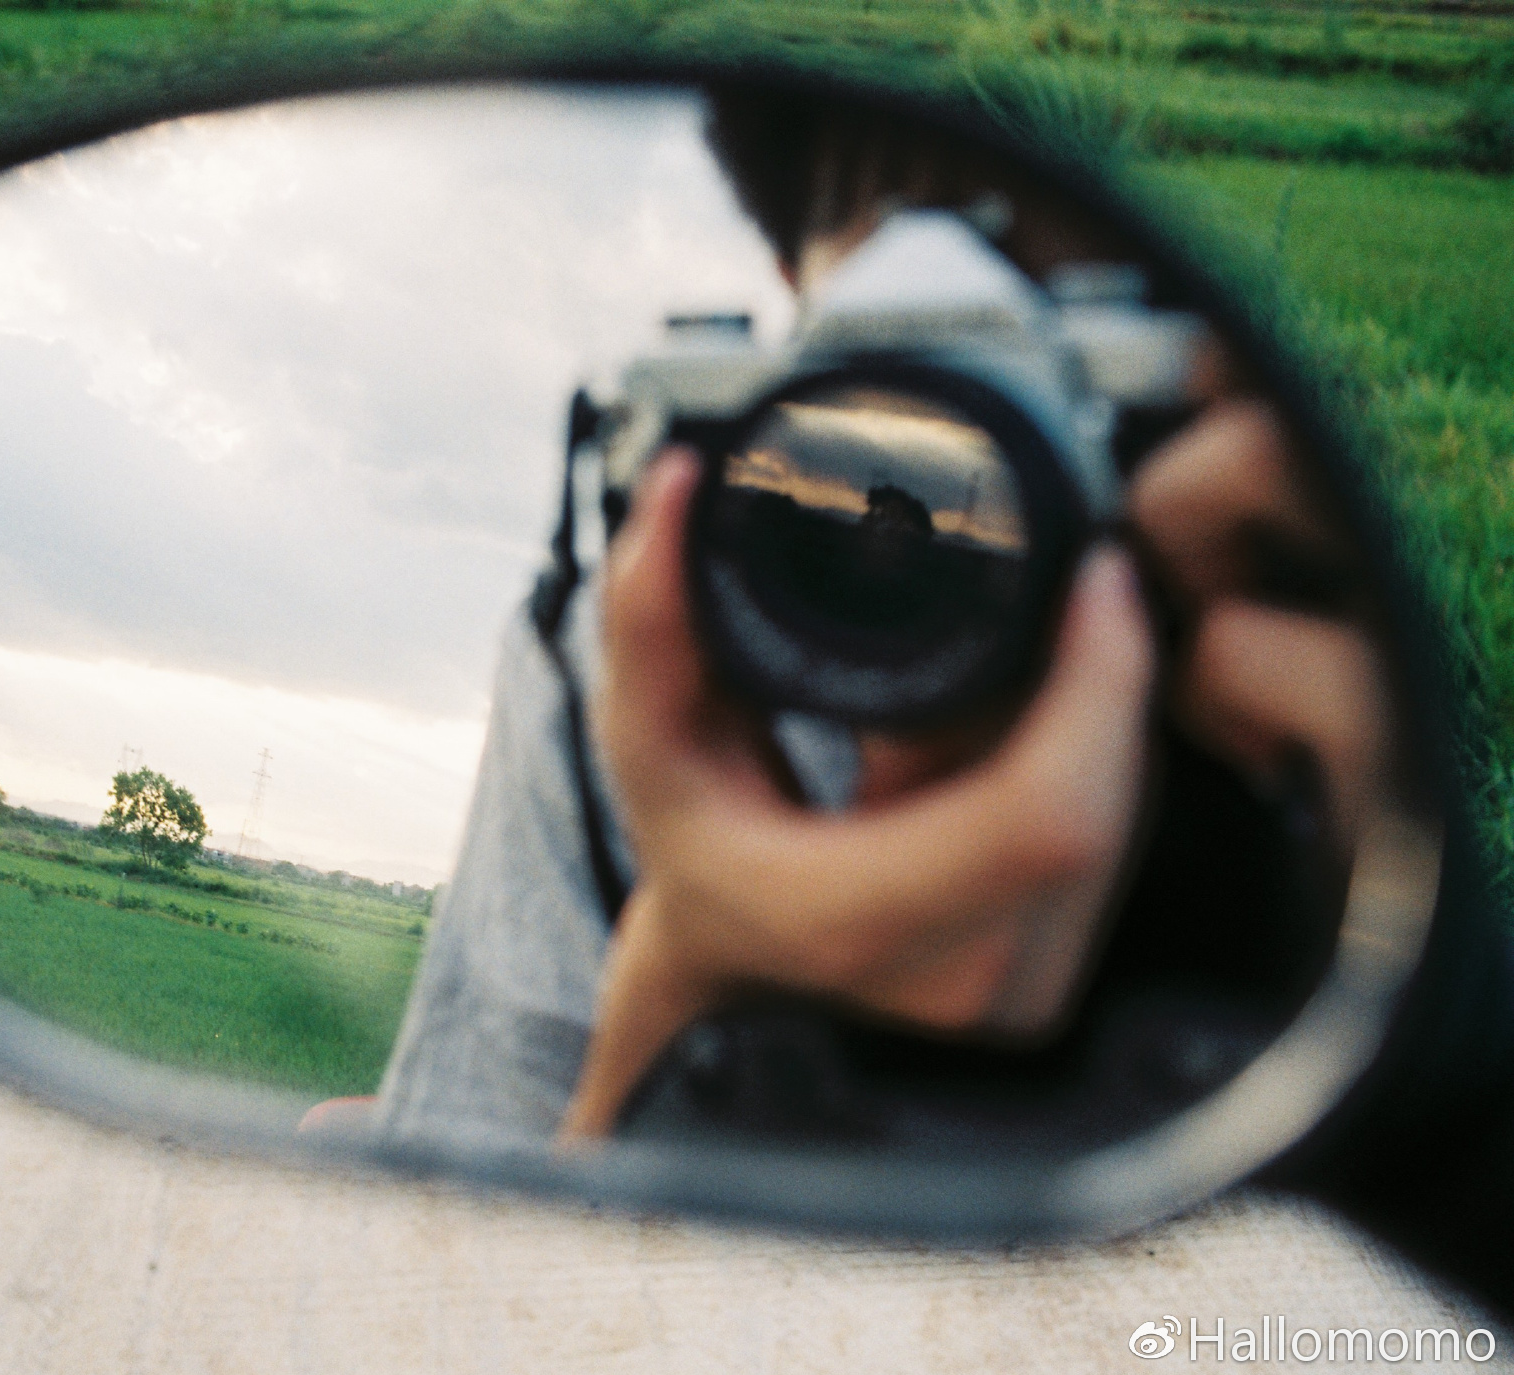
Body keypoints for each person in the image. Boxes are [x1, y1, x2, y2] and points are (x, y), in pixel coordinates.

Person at [374, 90, 1399, 1150]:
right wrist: (683, 990)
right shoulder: (619, 660)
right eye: (881, 365)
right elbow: (488, 1224)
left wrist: (1383, 883)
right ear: (785, 315)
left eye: (1041, 345)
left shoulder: (1263, 623)